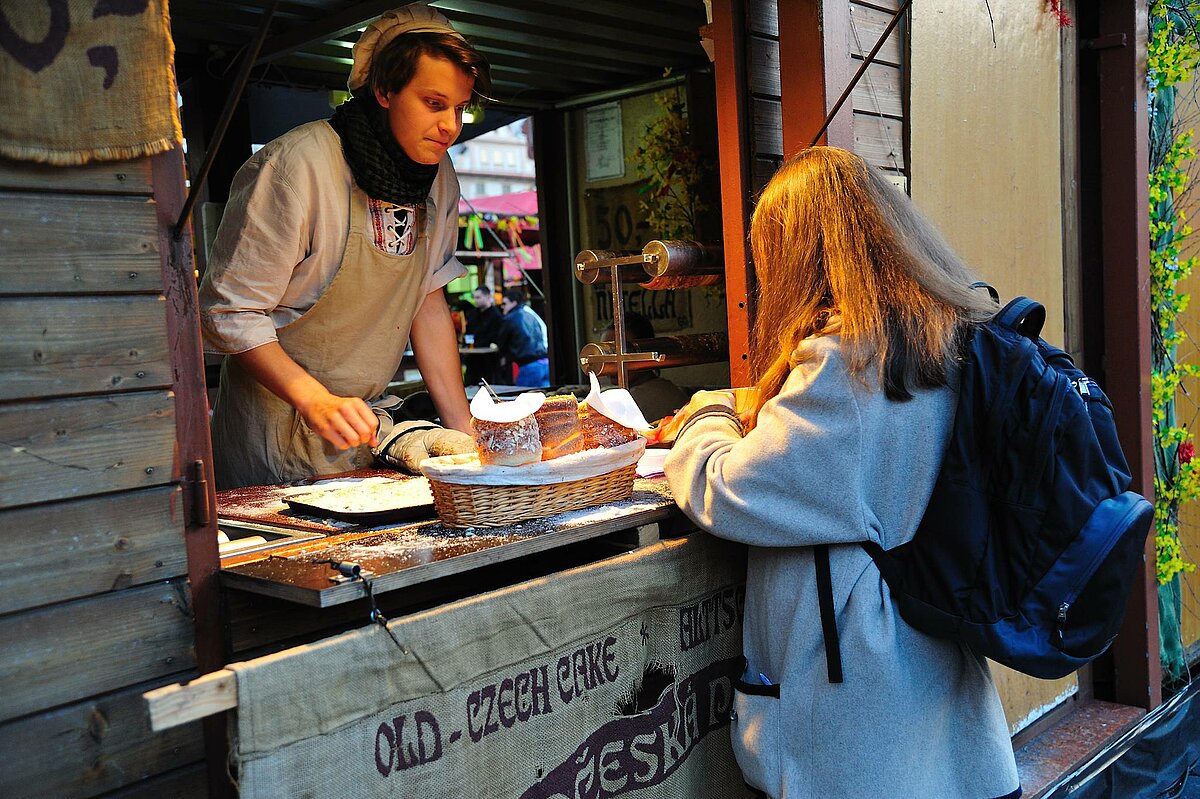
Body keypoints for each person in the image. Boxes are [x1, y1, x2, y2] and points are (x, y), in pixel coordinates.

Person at [663, 147, 1020, 799]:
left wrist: (705, 413)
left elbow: (728, 488)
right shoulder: (947, 338)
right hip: (933, 675)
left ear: (800, 254)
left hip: (861, 705)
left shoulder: (845, 362)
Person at [198, 7, 486, 488]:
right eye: (433, 103)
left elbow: (426, 301)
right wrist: (313, 399)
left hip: (362, 431)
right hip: (273, 434)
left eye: (459, 108)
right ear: (384, 91)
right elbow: (229, 311)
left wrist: (465, 430)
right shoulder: (296, 166)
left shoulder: (438, 178)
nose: (450, 126)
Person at [600, 311, 690, 423]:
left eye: (620, 352)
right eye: (605, 353)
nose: (610, 362)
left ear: (644, 351)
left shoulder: (639, 399)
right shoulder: (665, 388)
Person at [496, 287, 549, 387]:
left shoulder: (510, 318)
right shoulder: (530, 313)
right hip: (544, 361)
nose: (502, 307)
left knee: (525, 395)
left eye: (504, 304)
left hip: (528, 365)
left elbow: (502, 343)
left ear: (514, 302)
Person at [463, 284, 504, 384]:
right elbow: (468, 333)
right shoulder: (473, 314)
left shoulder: (496, 315)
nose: (476, 300)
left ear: (487, 296)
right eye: (474, 298)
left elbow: (497, 337)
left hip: (488, 360)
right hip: (473, 359)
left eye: (478, 297)